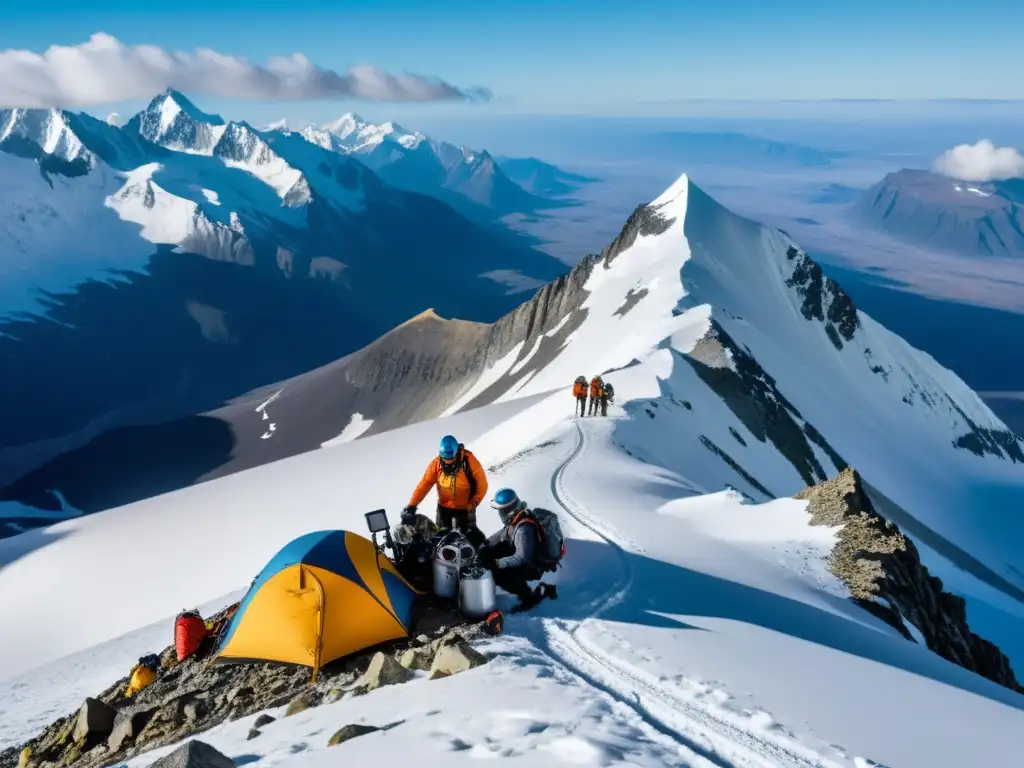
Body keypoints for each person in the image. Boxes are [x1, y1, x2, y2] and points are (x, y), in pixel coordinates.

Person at [477, 488, 558, 611]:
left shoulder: (524, 529)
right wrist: (484, 546)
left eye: (501, 511)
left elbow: (522, 558)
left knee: (500, 573)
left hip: (533, 566)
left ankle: (528, 597)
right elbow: (503, 534)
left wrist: (496, 563)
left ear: (508, 511)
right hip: (525, 556)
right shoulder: (517, 518)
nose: (500, 514)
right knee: (489, 554)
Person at [403, 434, 488, 547]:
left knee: (468, 540)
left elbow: (482, 485)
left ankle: (476, 559)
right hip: (443, 509)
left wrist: (473, 503)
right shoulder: (436, 463)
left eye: (451, 459)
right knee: (440, 540)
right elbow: (425, 484)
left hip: (465, 509)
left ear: (457, 452)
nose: (448, 462)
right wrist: (411, 505)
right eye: (445, 459)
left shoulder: (469, 461)